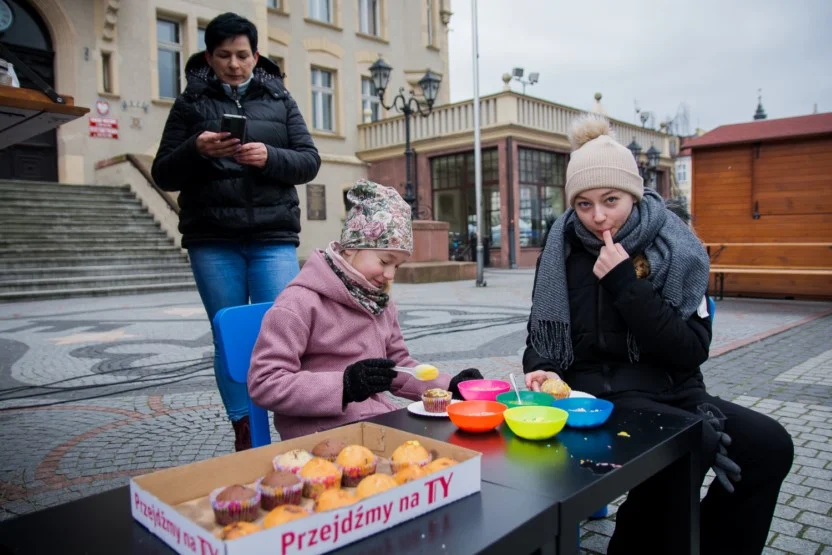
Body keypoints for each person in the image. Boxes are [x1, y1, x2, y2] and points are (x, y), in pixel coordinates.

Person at [523, 116, 793, 555]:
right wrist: (540, 368)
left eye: (610, 200)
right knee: (687, 444)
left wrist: (625, 284)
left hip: (675, 389)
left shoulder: (676, 247)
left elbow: (690, 350)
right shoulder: (561, 249)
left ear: (632, 192)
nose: (597, 216)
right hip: (597, 396)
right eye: (584, 204)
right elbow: (543, 337)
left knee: (769, 445)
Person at [151, 12, 321, 451]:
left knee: (284, 331)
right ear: (209, 57)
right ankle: (245, 429)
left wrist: (269, 157)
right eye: (223, 55)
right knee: (228, 335)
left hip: (272, 238)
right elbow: (163, 172)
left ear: (255, 55)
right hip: (213, 240)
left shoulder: (280, 98)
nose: (233, 64)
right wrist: (197, 149)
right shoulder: (190, 103)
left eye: (242, 55)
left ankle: (288, 419)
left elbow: (308, 160)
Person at [248, 179, 483, 440]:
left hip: (375, 421)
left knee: (459, 441)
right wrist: (345, 386)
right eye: (385, 261)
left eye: (398, 266)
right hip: (320, 435)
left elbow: (399, 367)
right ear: (351, 247)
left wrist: (449, 385)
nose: (390, 274)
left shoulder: (379, 302)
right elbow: (265, 382)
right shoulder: (299, 303)